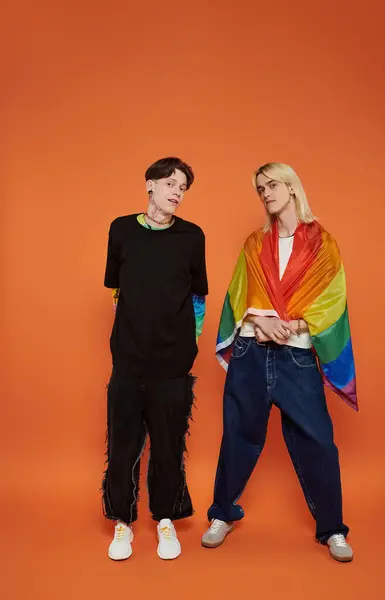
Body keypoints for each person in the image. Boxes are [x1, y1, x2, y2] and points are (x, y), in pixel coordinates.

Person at [201, 162, 357, 562]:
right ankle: (222, 514)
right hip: (252, 354)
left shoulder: (324, 243)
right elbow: (238, 297)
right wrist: (259, 318)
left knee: (318, 441)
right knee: (238, 434)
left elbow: (332, 301)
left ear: (291, 187)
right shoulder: (255, 243)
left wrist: (295, 322)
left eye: (272, 185)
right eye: (260, 189)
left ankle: (333, 528)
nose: (266, 193)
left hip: (297, 357)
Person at [103, 157, 208, 561]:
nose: (177, 191)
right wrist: (126, 338)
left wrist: (189, 345)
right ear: (150, 185)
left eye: (182, 186)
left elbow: (198, 297)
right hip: (128, 360)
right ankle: (122, 523)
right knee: (124, 443)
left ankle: (165, 519)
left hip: (173, 363)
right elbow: (118, 291)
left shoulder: (192, 236)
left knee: (168, 445)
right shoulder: (121, 229)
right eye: (169, 182)